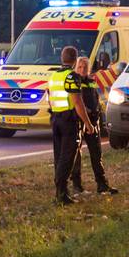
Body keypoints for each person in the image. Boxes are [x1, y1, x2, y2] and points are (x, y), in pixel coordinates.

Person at [47, 46, 95, 205]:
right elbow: (77, 102)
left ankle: (62, 192)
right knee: (68, 158)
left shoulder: (54, 76)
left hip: (55, 119)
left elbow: (49, 97)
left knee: (59, 156)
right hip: (68, 121)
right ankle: (61, 194)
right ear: (75, 61)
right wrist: (88, 123)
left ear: (62, 58)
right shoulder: (71, 76)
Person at [69, 57, 118, 195]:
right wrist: (87, 117)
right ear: (75, 68)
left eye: (85, 67)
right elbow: (77, 102)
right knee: (76, 154)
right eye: (80, 67)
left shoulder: (91, 81)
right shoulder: (73, 80)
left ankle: (102, 185)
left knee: (96, 153)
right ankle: (76, 185)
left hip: (93, 121)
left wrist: (97, 112)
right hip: (79, 121)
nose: (82, 70)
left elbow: (95, 99)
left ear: (89, 69)